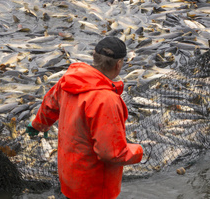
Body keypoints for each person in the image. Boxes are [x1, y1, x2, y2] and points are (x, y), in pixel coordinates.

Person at [26, 37, 143, 199]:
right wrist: (138, 151)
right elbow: (110, 153)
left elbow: (49, 104)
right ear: (119, 64)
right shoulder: (106, 100)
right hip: (94, 187)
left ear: (94, 57)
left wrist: (38, 125)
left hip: (68, 175)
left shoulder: (70, 79)